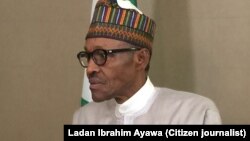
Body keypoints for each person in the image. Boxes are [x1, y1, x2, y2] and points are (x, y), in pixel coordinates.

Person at [73, 0, 221, 124]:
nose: (90, 68)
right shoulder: (85, 118)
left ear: (141, 59)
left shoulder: (194, 114)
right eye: (88, 55)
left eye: (101, 55)